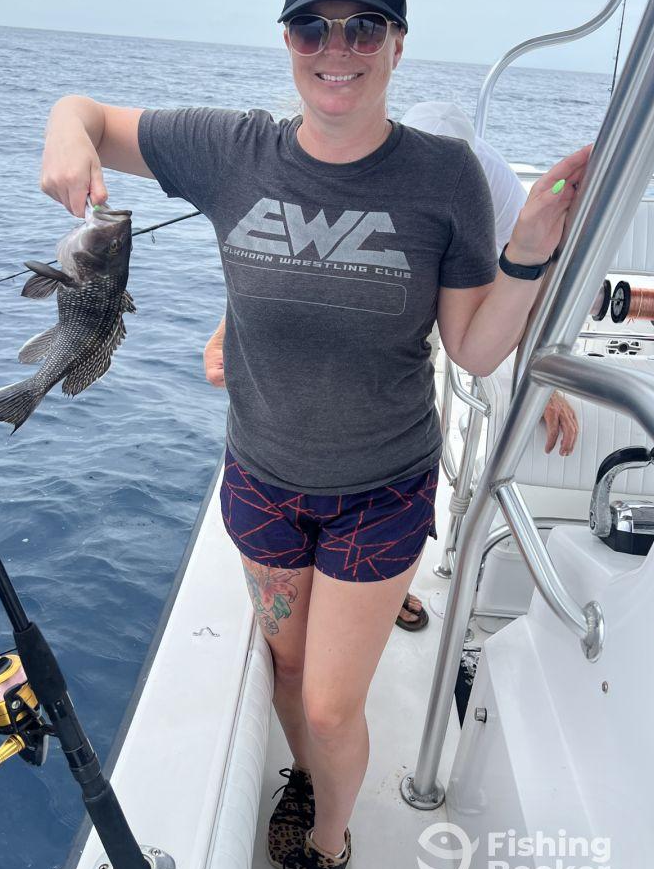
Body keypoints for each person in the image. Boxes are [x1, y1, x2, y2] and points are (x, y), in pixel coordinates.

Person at [39, 0, 592, 869]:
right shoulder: (228, 149)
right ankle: (307, 782)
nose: (336, 47)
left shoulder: (444, 180)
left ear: (397, 40)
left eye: (362, 25)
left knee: (334, 708)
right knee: (288, 679)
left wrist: (524, 258)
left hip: (380, 488)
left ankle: (329, 842)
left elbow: (472, 351)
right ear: (286, 38)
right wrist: (65, 135)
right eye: (313, 27)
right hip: (260, 478)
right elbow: (86, 114)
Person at [202, 99, 579, 634]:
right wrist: (225, 329)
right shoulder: (381, 169)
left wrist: (539, 377)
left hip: (473, 288)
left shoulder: (489, 190)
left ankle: (387, 588)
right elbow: (287, 264)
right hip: (386, 286)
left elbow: (528, 289)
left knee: (418, 392)